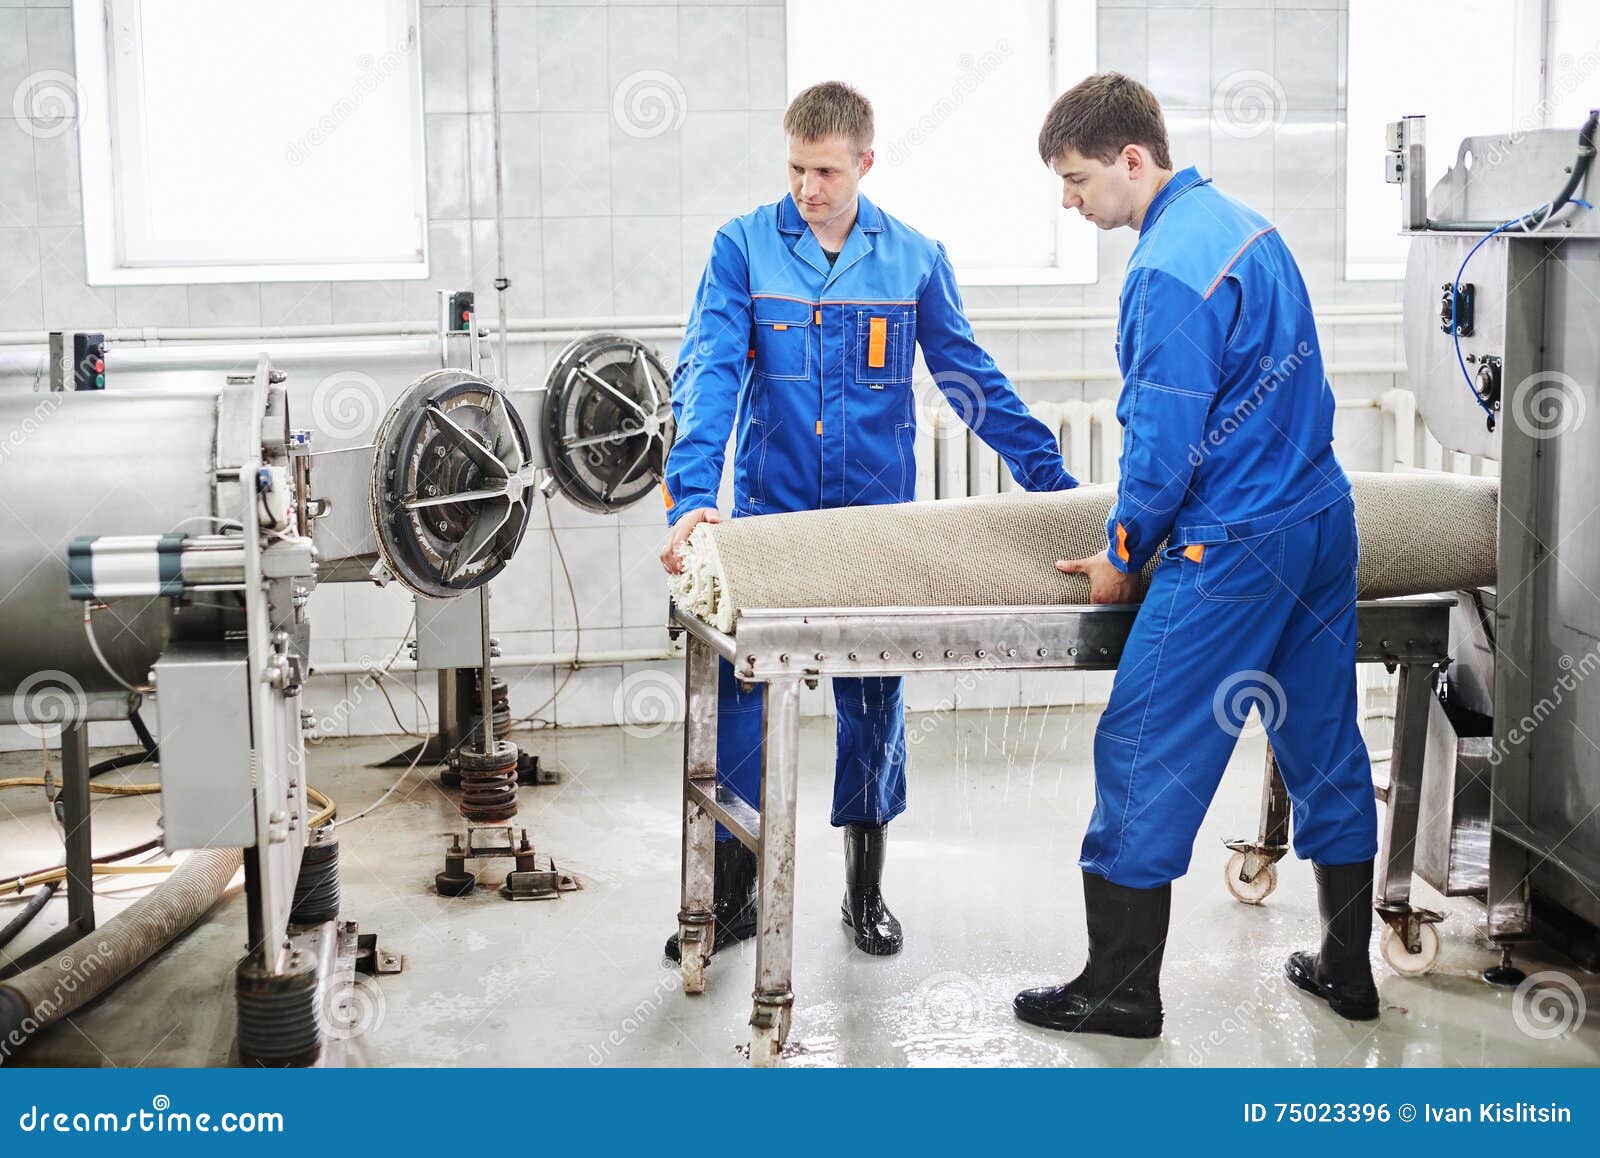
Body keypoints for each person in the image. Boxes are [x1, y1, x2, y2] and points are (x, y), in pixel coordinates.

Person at [659, 81, 1077, 961]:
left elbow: (971, 382)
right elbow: (707, 375)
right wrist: (693, 495)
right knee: (742, 698)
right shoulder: (742, 249)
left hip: (874, 526)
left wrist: (1056, 484)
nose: (806, 187)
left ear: (864, 164)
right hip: (772, 523)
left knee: (873, 701)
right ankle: (734, 897)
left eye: (824, 170)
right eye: (795, 168)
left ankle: (864, 891)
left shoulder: (914, 259)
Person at [1013, 72, 1379, 1038]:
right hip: (1319, 524)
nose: (1070, 198)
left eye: (1079, 178)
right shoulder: (1249, 227)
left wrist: (1124, 551)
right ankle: (1349, 971)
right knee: (1323, 742)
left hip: (1233, 548)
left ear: (1135, 160)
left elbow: (1162, 446)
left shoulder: (1165, 267)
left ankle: (1120, 989)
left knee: (1144, 748)